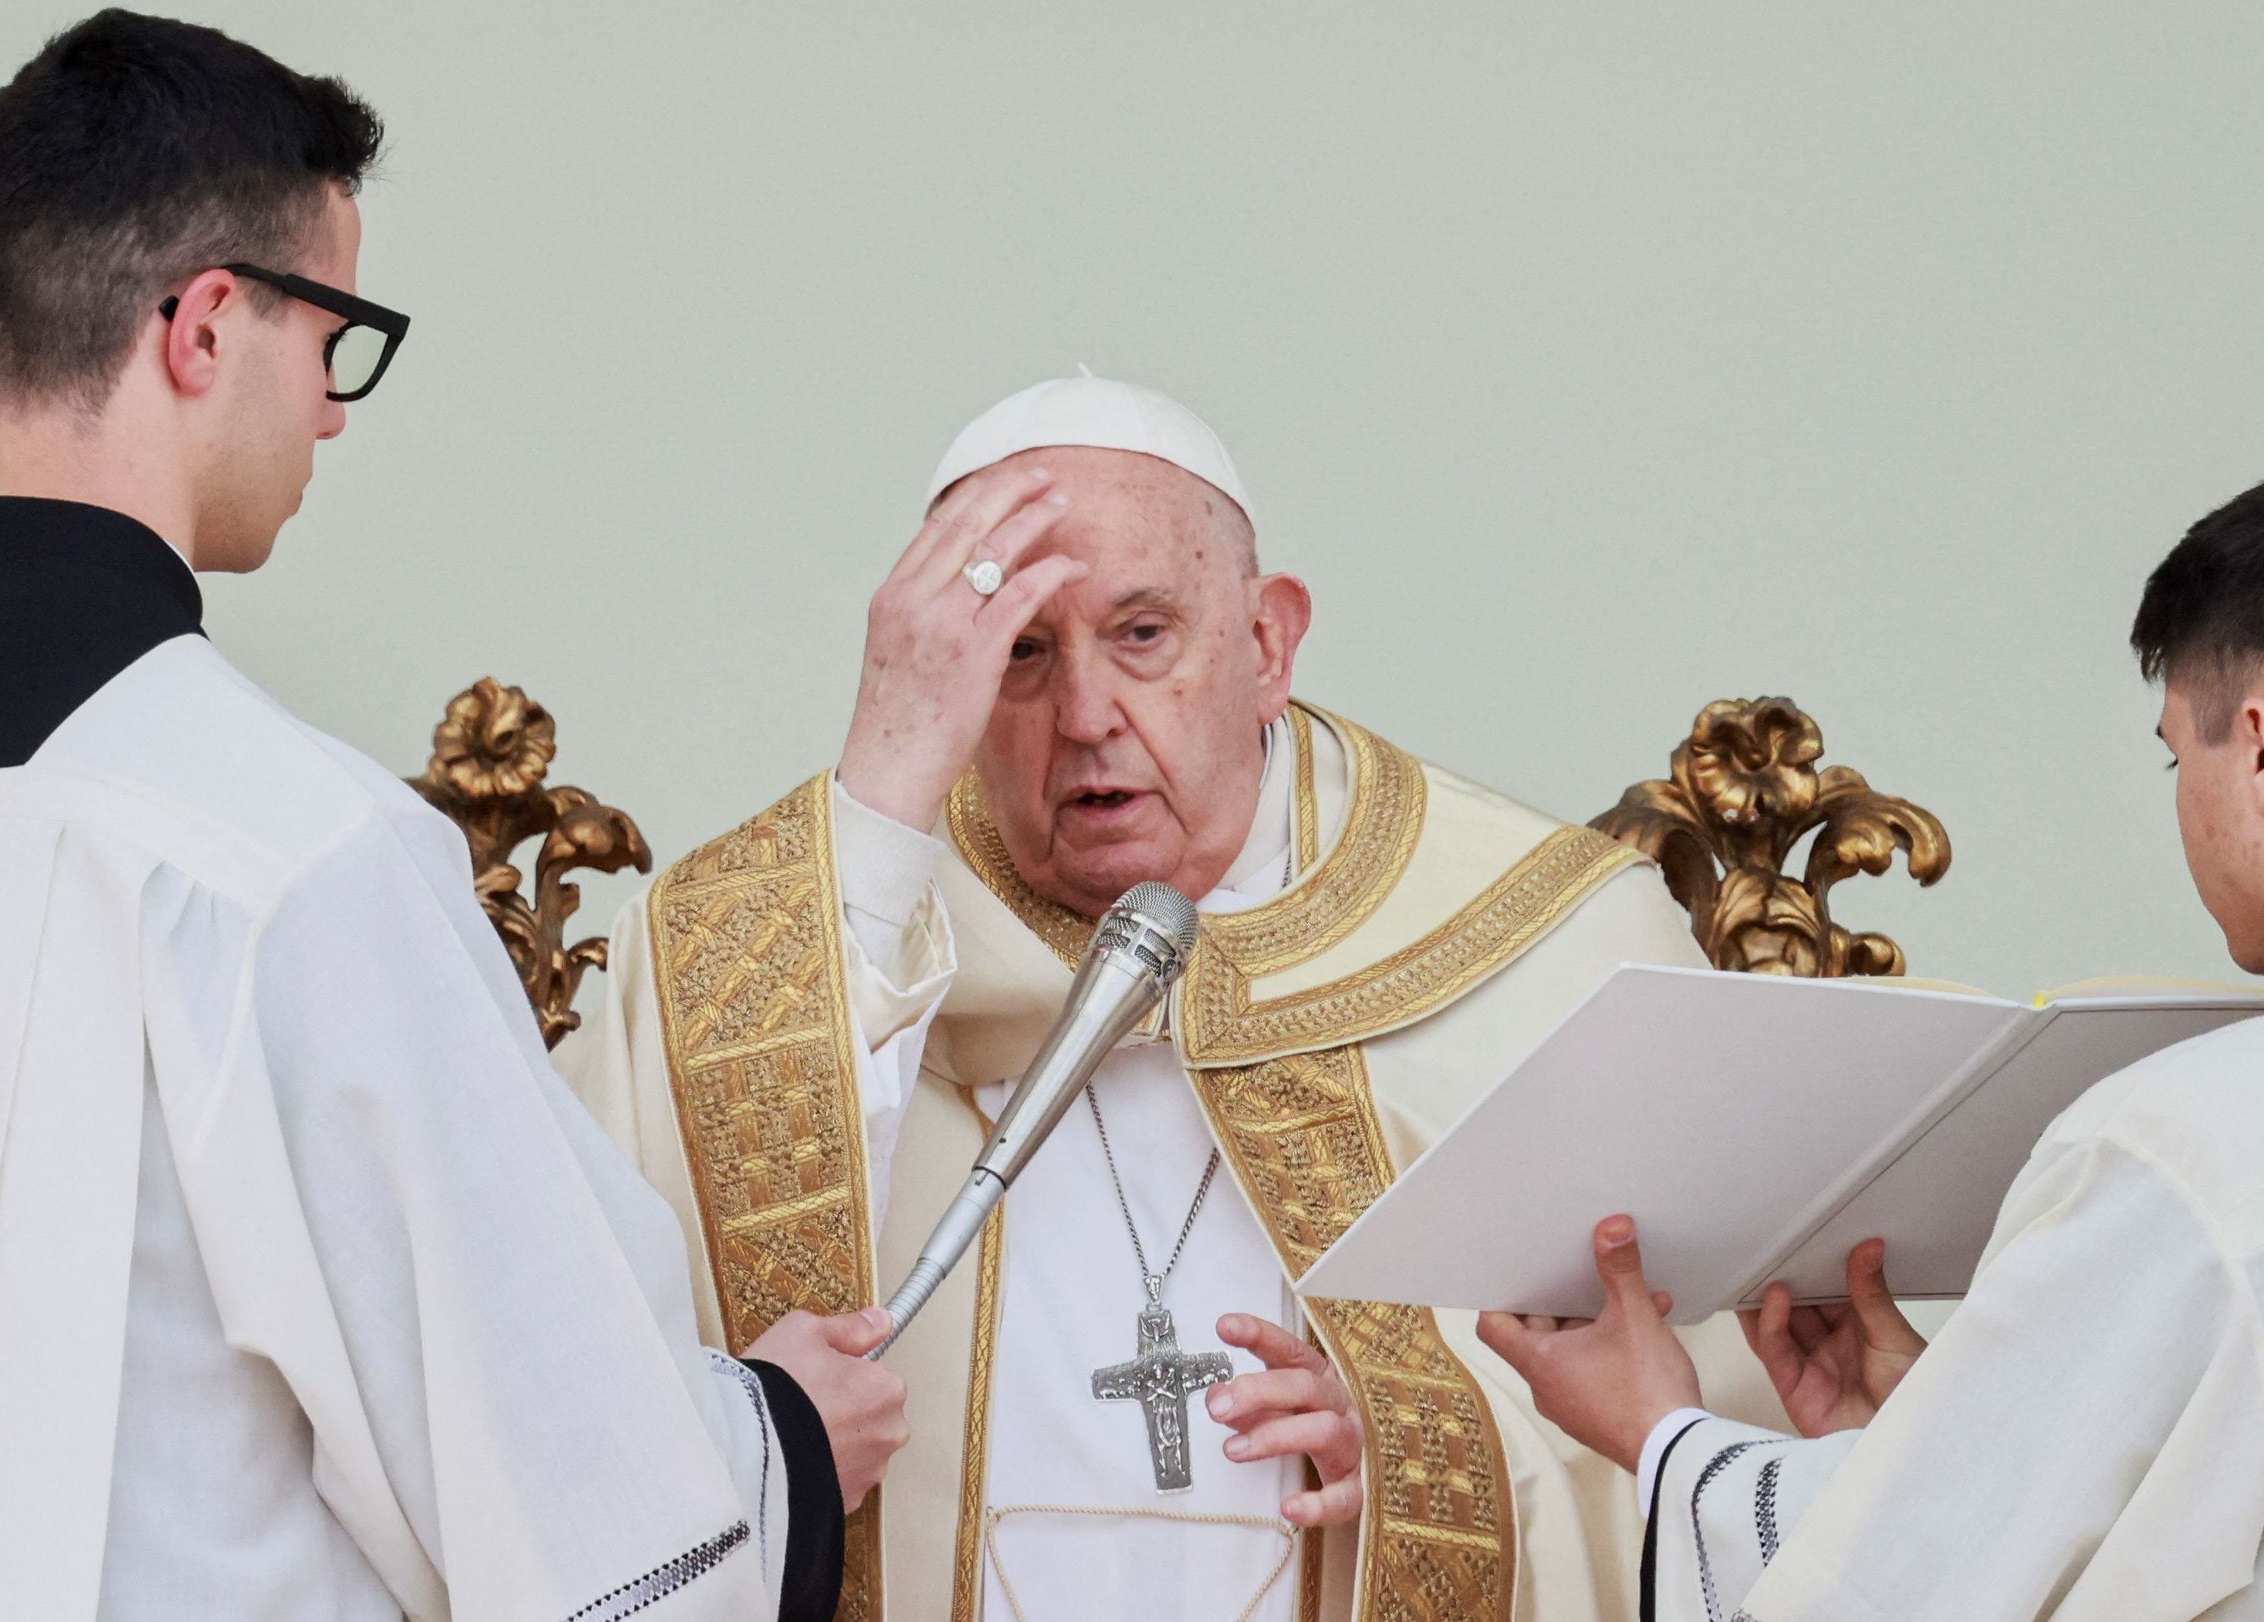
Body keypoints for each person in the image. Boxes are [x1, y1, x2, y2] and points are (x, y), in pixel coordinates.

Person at [0, 9, 904, 1622]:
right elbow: (575, 1483)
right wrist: (783, 1439)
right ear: (206, 325)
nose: (333, 409)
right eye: (334, 337)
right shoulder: (280, 852)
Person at [556, 375, 1790, 1622]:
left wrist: (1424, 1463)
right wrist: (875, 792)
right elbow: (603, 1394)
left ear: (1265, 644)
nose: (1086, 716)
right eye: (1021, 654)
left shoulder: (1548, 948)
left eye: (1142, 635)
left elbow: (1738, 1473)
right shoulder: (828, 956)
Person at [1479, 446, 2264, 1620]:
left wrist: (1660, 1437)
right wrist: (1948, 1431)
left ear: (2263, 750)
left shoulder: (2202, 1144)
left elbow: (1891, 1599)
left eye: (2179, 753)